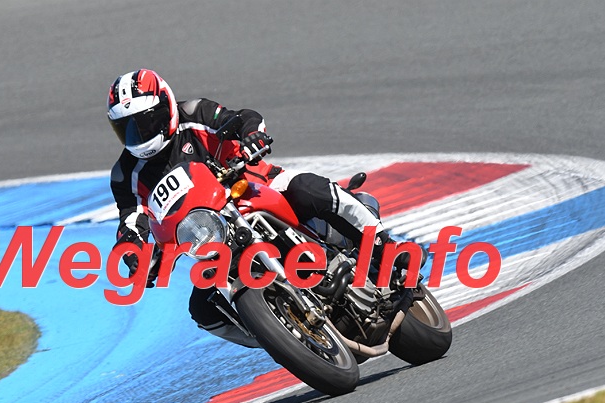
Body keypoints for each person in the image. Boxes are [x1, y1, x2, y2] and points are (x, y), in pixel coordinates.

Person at [107, 69, 394, 346]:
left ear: (165, 107)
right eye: (127, 129)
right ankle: (278, 338)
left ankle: (385, 247)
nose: (138, 135)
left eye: (144, 123)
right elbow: (131, 220)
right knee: (203, 310)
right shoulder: (125, 173)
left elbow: (243, 118)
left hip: (252, 187)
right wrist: (134, 254)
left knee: (307, 189)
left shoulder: (195, 113)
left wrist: (252, 135)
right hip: (209, 234)